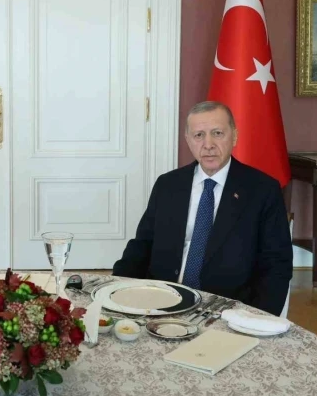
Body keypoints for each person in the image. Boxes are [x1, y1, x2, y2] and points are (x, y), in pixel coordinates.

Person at [112, 101, 292, 316]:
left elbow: (276, 265)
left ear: (234, 136)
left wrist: (257, 319)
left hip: (227, 309)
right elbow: (142, 245)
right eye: (199, 135)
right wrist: (116, 290)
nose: (208, 144)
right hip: (161, 300)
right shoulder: (168, 184)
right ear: (188, 140)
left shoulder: (262, 190)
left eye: (217, 133)